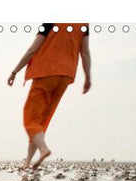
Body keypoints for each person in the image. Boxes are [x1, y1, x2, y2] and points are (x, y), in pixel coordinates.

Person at [7, 23, 91, 168]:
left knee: (31, 118)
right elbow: (85, 52)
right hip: (66, 75)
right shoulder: (83, 24)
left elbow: (32, 49)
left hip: (45, 71)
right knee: (42, 120)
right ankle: (28, 161)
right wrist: (88, 77)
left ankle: (43, 149)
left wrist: (15, 71)